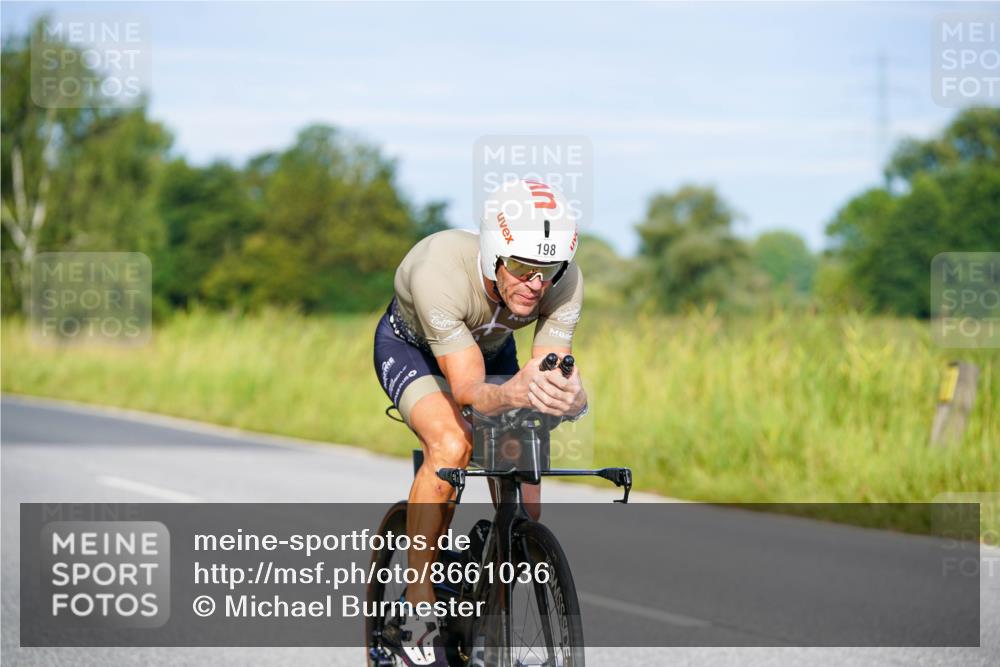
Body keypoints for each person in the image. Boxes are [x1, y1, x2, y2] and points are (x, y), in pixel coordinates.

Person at [372, 178, 588, 666]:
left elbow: (554, 366)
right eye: (523, 268)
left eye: (548, 270)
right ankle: (419, 605)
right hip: (416, 352)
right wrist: (512, 393)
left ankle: (489, 583)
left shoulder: (565, 281)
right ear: (494, 255)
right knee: (452, 444)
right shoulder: (438, 272)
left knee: (527, 500)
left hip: (492, 351)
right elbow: (469, 390)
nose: (536, 283)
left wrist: (572, 399)